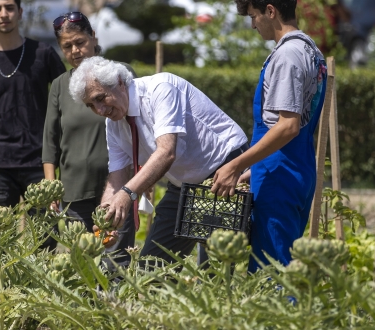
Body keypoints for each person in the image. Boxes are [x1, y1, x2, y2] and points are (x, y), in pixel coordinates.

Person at [69, 56, 248, 266]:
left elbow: (166, 152)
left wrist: (127, 195)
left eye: (101, 98)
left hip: (223, 169)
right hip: (182, 182)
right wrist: (106, 215)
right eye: (91, 105)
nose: (100, 110)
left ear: (118, 82)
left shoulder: (161, 88)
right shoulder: (114, 125)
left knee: (215, 271)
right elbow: (117, 176)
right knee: (152, 269)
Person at [211, 0, 327, 272]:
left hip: (279, 178)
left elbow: (288, 126)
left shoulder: (287, 55)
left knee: (272, 271)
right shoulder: (311, 51)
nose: (253, 25)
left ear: (271, 11)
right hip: (296, 169)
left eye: (254, 16)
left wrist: (236, 164)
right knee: (285, 262)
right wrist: (255, 169)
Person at [42, 12, 136, 266]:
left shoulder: (121, 74)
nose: (75, 50)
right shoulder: (61, 85)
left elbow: (139, 128)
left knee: (117, 259)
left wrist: (141, 177)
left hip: (119, 187)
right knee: (83, 262)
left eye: (80, 42)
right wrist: (51, 189)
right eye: (67, 46)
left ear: (93, 37)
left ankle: (115, 306)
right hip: (75, 191)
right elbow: (50, 142)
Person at [0, 0, 66, 217]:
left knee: (44, 238)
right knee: (2, 238)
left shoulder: (43, 54)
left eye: (10, 8)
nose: (4, 14)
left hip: (40, 161)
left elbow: (67, 103)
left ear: (20, 12)